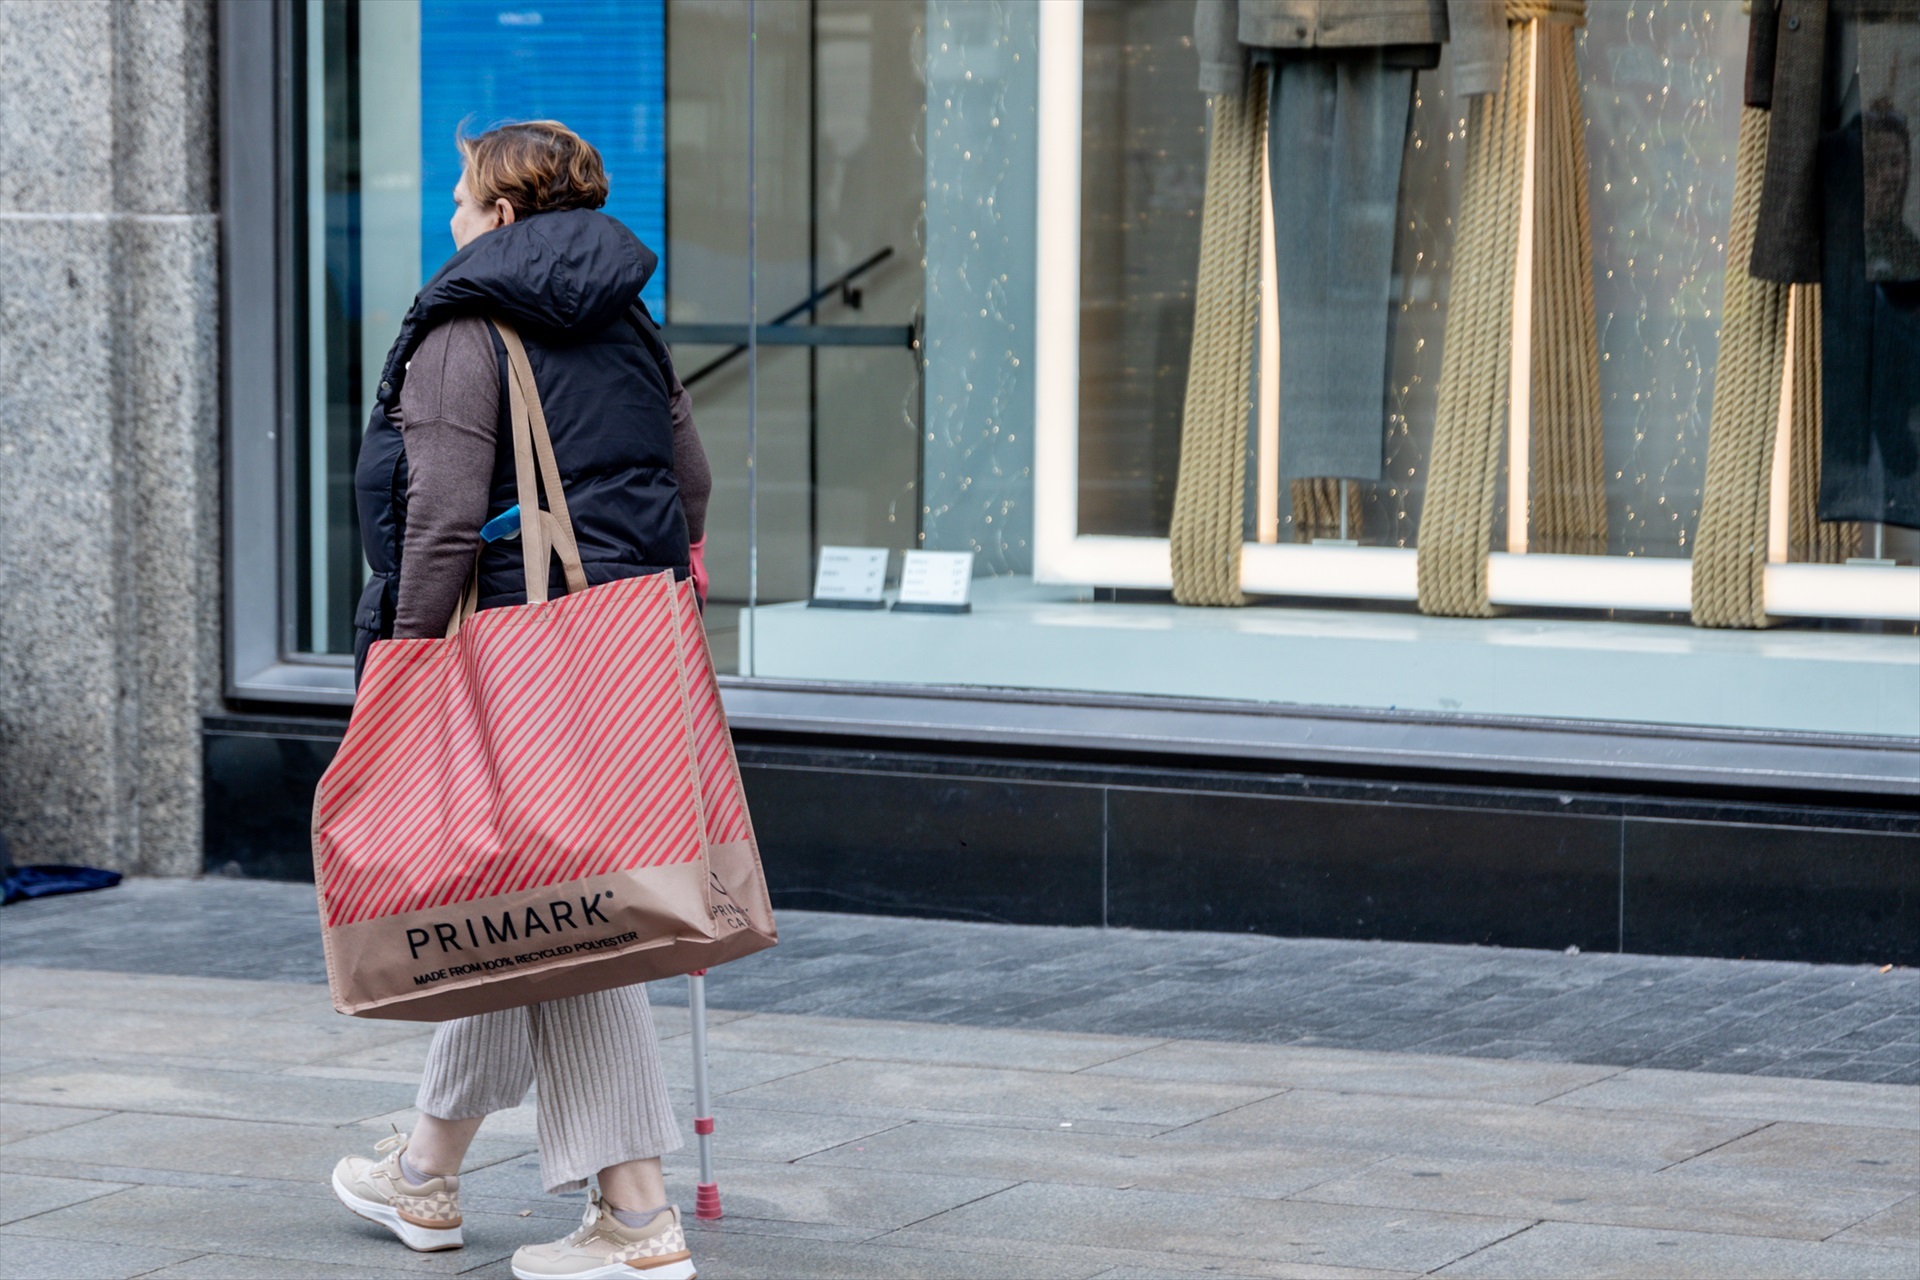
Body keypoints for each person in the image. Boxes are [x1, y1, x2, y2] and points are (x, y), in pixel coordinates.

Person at [331, 120, 711, 1280]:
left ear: (501, 216)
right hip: (622, 651)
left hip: (507, 657)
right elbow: (688, 482)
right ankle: (427, 1167)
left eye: (458, 195)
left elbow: (440, 522)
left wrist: (397, 675)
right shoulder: (625, 317)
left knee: (565, 904)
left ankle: (637, 1219)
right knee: (525, 895)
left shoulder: (465, 324)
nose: (447, 214)